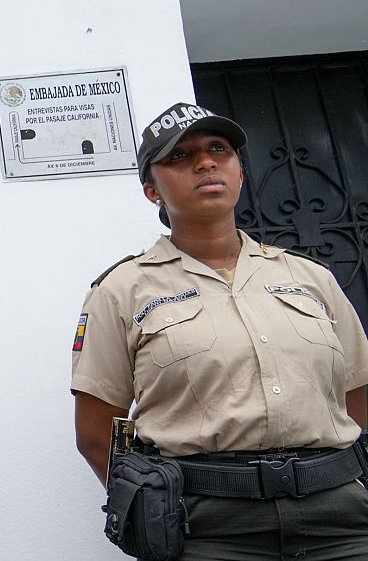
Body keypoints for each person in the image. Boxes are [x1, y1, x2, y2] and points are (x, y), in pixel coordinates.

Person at [72, 102, 368, 560]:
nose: (206, 162)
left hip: (340, 517)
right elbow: (96, 432)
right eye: (179, 156)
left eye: (218, 149)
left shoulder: (311, 278)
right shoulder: (122, 291)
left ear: (240, 172)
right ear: (152, 191)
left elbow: (357, 393)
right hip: (210, 527)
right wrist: (150, 509)